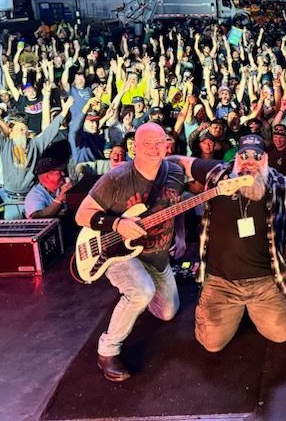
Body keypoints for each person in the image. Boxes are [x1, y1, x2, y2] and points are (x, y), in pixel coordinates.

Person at [167, 134, 286, 353]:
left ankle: (253, 309)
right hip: (221, 283)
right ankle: (235, 311)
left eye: (256, 156)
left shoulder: (282, 185)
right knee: (211, 343)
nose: (250, 161)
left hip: (265, 282)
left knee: (281, 334)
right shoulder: (217, 173)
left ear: (266, 159)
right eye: (244, 155)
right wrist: (163, 172)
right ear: (236, 158)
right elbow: (179, 161)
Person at [76, 122, 186, 382]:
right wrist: (117, 223)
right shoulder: (116, 178)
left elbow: (177, 206)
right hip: (117, 251)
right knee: (141, 292)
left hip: (157, 256)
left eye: (159, 142)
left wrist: (181, 235)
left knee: (168, 312)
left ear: (167, 144)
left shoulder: (175, 173)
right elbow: (82, 214)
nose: (154, 148)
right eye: (146, 143)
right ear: (134, 147)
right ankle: (108, 350)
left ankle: (138, 292)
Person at [0, 96, 72, 219]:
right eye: (17, 129)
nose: (21, 131)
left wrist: (64, 112)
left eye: (23, 129)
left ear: (28, 132)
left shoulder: (36, 145)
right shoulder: (4, 145)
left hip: (32, 197)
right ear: (11, 132)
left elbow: (50, 131)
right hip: (10, 198)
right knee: (13, 231)